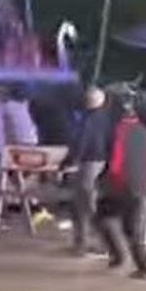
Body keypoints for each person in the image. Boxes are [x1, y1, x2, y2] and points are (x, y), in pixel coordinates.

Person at [95, 95, 146, 279]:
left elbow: (115, 162)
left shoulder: (118, 132)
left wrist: (106, 180)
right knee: (132, 228)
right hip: (141, 186)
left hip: (120, 186)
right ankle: (134, 262)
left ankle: (130, 261)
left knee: (104, 219)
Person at [64, 86, 113, 256]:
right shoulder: (107, 119)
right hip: (101, 163)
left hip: (88, 164)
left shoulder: (86, 120)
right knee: (89, 204)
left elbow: (80, 143)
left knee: (85, 205)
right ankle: (86, 243)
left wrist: (68, 162)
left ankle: (99, 244)